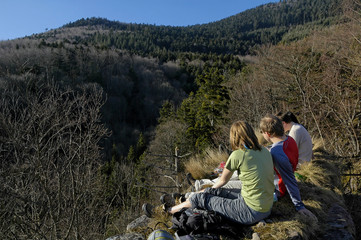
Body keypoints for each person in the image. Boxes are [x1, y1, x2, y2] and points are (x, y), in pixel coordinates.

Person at [162, 121, 275, 225]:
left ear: (235, 137)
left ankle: (168, 211)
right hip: (266, 207)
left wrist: (207, 192)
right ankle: (185, 202)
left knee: (201, 198)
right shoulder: (264, 150)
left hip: (250, 212)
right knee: (211, 192)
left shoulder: (238, 155)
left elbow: (222, 180)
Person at [260, 114, 317, 220]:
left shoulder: (276, 152)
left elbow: (289, 179)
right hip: (276, 183)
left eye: (262, 132)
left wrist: (299, 206)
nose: (262, 135)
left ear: (267, 133)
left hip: (276, 190)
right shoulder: (289, 139)